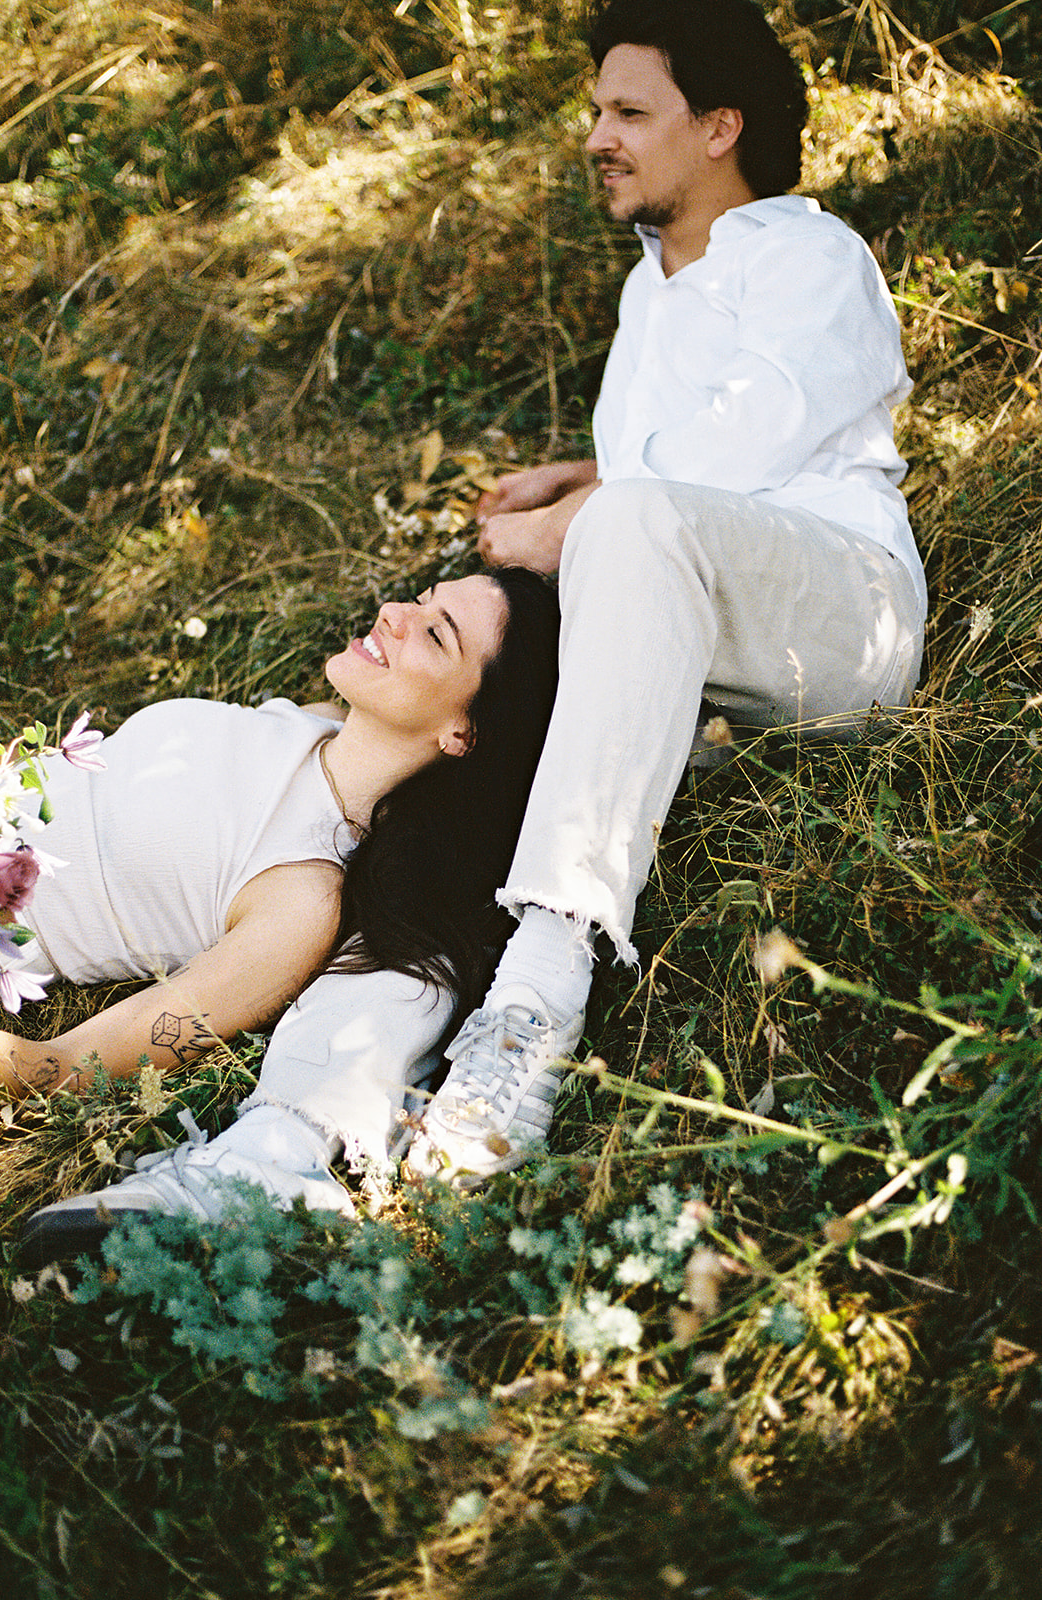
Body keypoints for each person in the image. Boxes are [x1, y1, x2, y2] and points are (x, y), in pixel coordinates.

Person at [404, 0, 928, 1185]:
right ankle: (387, 975)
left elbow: (745, 457)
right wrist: (583, 476)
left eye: (629, 111)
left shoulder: (809, 255)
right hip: (709, 638)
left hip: (846, 618)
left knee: (615, 535)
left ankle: (535, 1003)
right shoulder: (651, 290)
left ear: (718, 129)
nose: (597, 134)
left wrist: (580, 518)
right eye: (597, 110)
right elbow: (682, 467)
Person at [0, 569, 559, 1261]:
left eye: (435, 634)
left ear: (463, 733)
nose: (396, 613)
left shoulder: (298, 898)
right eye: (424, 598)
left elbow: (61, 1067)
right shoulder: (311, 723)